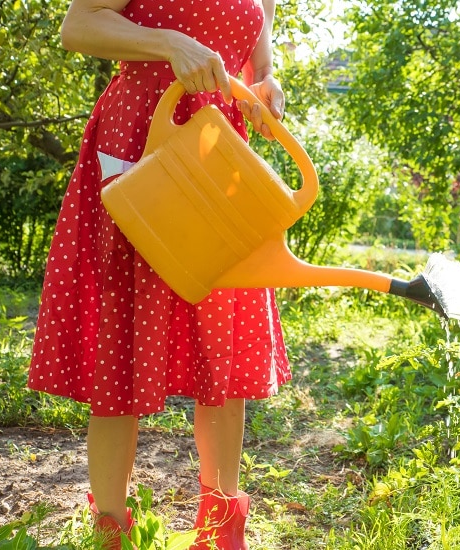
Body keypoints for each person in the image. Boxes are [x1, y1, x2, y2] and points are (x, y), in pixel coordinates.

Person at [27, 0, 290, 548]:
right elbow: (78, 25)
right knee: (125, 332)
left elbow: (255, 64)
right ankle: (111, 530)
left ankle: (221, 530)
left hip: (218, 147)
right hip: (140, 140)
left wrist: (265, 86)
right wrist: (170, 42)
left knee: (219, 331)